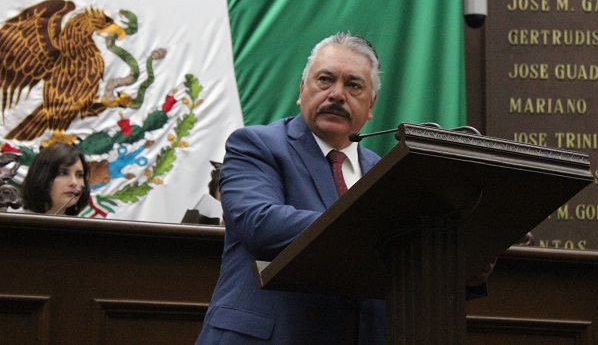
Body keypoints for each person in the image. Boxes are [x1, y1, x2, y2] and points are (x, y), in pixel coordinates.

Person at [196, 32, 491, 344]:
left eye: (354, 86)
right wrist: (378, 230)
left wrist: (463, 265)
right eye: (325, 80)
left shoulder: (387, 173)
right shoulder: (256, 145)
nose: (337, 94)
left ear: (371, 105)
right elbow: (260, 223)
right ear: (301, 90)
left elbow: (404, 269)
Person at [21, 142, 90, 215]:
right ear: (41, 176)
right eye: (63, 173)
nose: (74, 182)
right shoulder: (14, 219)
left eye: (79, 175)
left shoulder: (82, 222)